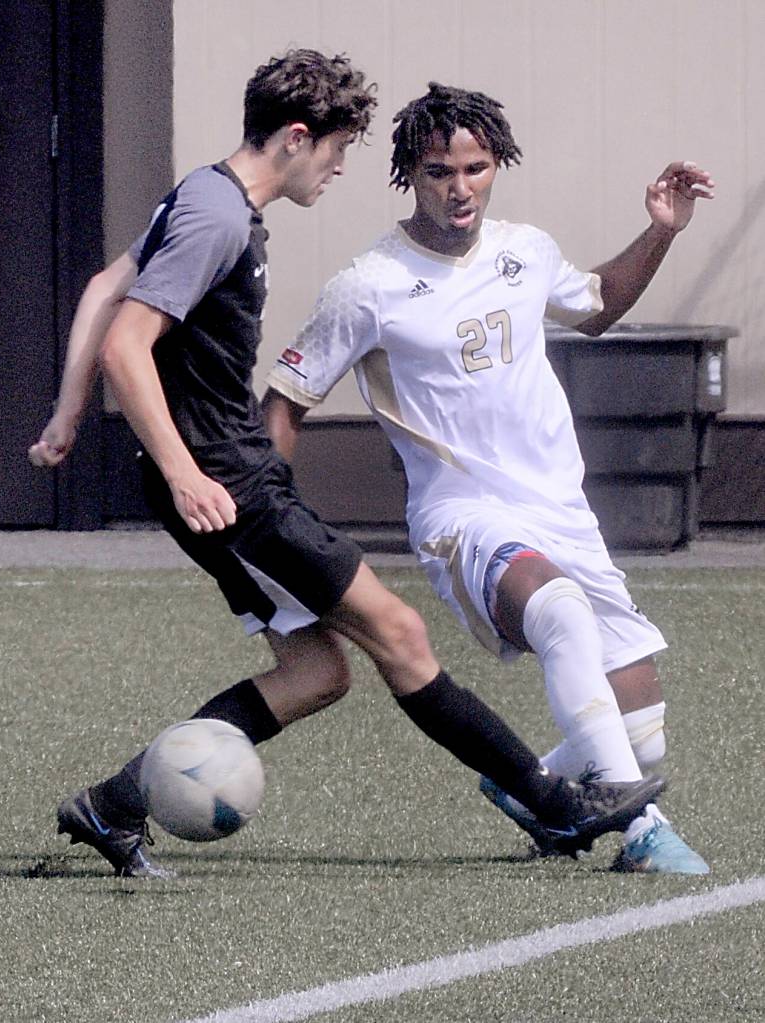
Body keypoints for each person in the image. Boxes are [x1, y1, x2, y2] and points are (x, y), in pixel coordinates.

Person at [30, 52, 661, 879]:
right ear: (296, 137)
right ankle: (556, 804)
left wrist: (66, 414)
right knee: (398, 635)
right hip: (228, 481)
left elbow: (101, 287)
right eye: (334, 151)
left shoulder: (200, 192)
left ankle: (113, 804)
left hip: (225, 473)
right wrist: (184, 471)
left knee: (318, 672)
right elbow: (126, 342)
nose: (335, 169)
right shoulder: (221, 219)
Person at [262, 82, 711, 875]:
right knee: (561, 615)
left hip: (562, 511)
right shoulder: (368, 283)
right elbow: (284, 407)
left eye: (475, 168)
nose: (459, 187)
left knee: (641, 724)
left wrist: (659, 230)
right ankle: (640, 833)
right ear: (410, 174)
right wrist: (267, 527)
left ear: (496, 164)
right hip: (460, 515)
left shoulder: (525, 249)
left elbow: (598, 305)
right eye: (439, 171)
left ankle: (530, 790)